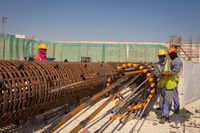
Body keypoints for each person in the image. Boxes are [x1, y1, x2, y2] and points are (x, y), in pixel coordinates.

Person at [154, 49, 178, 124]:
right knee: (162, 101)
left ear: (165, 56)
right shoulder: (157, 65)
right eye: (160, 56)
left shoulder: (170, 62)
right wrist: (160, 75)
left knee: (167, 102)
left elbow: (177, 68)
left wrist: (169, 73)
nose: (161, 57)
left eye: (163, 56)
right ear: (158, 57)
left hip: (169, 85)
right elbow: (156, 73)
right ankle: (163, 113)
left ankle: (165, 116)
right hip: (162, 86)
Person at [168, 47, 183, 114]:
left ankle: (176, 109)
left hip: (174, 79)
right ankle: (176, 108)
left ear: (173, 54)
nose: (169, 56)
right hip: (172, 79)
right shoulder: (174, 60)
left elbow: (176, 70)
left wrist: (168, 73)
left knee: (174, 94)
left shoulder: (176, 61)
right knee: (173, 93)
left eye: (170, 54)